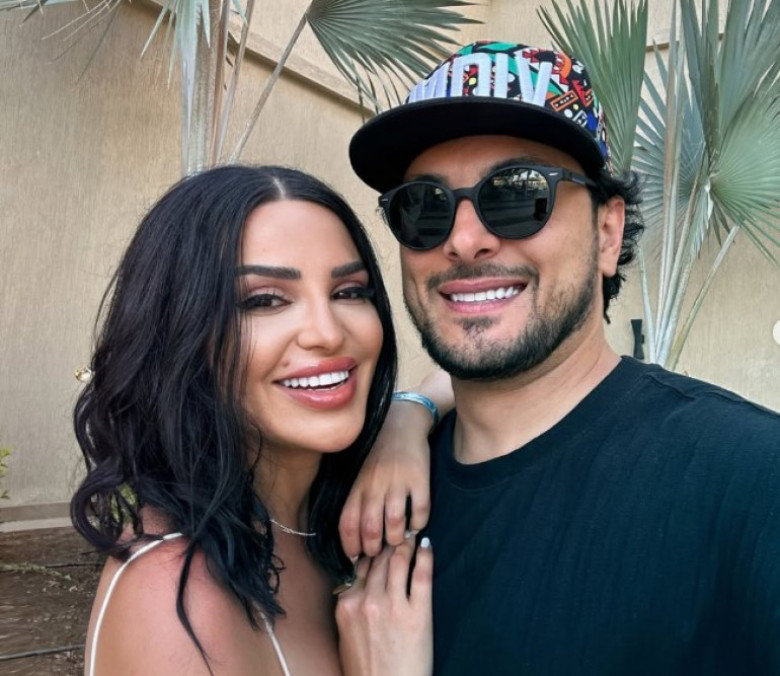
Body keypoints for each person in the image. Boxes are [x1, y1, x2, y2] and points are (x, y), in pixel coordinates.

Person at [343, 41, 780, 674]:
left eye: (517, 195)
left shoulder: (751, 484)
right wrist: (407, 412)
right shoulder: (363, 497)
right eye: (424, 207)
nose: (463, 240)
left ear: (607, 233)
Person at [70, 165, 434, 676]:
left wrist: (406, 415)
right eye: (264, 300)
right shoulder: (174, 599)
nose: (328, 332)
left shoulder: (316, 516)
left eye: (349, 291)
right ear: (179, 334)